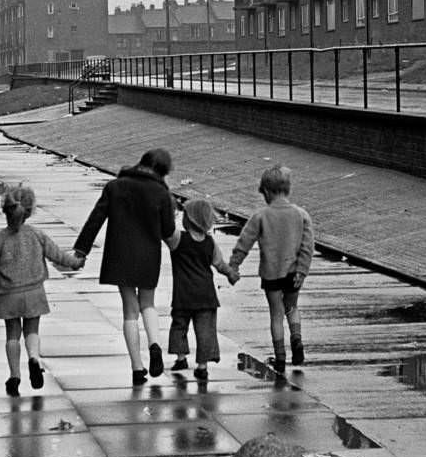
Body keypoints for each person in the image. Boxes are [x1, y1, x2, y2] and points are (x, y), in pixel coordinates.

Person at [0, 186, 85, 397]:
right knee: (32, 331)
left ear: (5, 211)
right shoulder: (37, 235)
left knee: (12, 335)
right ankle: (34, 359)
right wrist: (74, 262)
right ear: (29, 211)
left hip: (7, 295)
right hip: (34, 292)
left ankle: (14, 376)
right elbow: (57, 256)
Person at [73, 148, 176, 386]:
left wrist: (82, 250)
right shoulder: (160, 192)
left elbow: (95, 219)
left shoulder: (115, 187)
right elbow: (168, 231)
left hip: (120, 254)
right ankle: (155, 344)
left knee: (130, 310)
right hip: (148, 255)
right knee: (148, 303)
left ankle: (137, 369)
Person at [228, 165, 315, 375]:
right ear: (288, 189)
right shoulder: (301, 215)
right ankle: (297, 341)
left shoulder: (260, 216)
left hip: (271, 274)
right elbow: (307, 245)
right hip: (294, 272)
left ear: (267, 191)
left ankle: (281, 357)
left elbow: (245, 241)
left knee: (276, 314)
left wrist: (234, 264)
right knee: (292, 308)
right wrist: (302, 270)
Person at [164, 198, 239, 382]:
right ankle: (202, 366)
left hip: (183, 295)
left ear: (189, 220)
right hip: (206, 295)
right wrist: (230, 273)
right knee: (205, 330)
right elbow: (219, 263)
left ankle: (181, 358)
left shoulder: (178, 239)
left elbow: (164, 231)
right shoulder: (210, 243)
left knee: (179, 326)